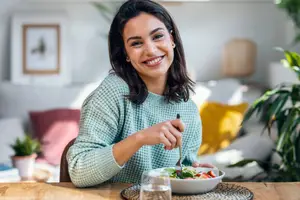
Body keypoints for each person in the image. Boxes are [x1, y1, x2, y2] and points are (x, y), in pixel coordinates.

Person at [67, 0, 213, 188]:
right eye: (136, 43)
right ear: (126, 54)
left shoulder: (189, 110)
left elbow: (179, 173)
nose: (150, 50)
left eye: (158, 36)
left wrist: (194, 173)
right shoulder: (112, 92)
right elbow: (79, 171)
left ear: (172, 39)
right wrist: (140, 139)